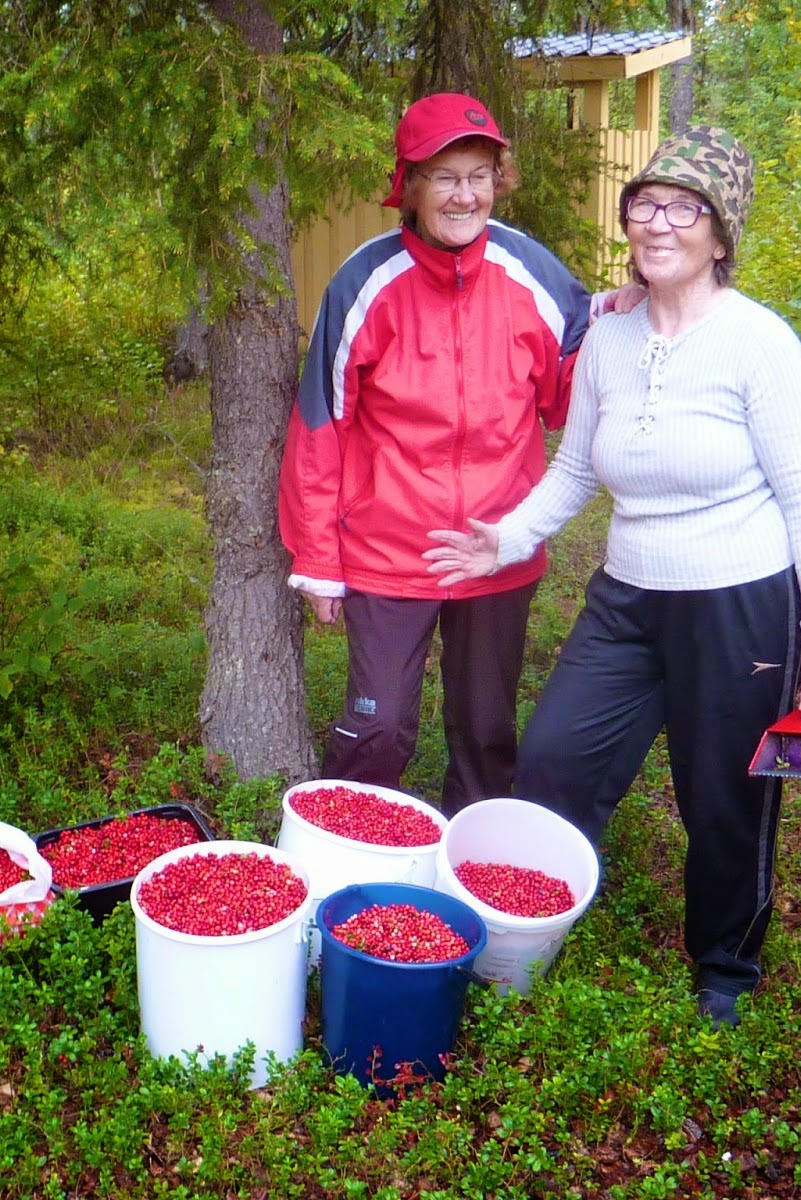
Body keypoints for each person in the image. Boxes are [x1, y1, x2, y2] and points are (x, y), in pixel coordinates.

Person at [424, 127, 801, 1027]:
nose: (658, 224)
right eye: (645, 205)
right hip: (625, 598)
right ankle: (535, 918)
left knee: (725, 794)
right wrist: (502, 540)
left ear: (720, 234)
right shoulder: (610, 337)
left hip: (740, 604)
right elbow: (577, 470)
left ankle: (726, 969)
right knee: (552, 760)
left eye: (684, 208)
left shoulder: (759, 344)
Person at [279, 93, 622, 815]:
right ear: (408, 186)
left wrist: (616, 324)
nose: (464, 194)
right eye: (444, 177)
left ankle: (470, 869)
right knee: (378, 725)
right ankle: (355, 856)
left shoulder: (532, 270)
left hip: (498, 547)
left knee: (486, 731)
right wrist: (317, 561)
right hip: (388, 552)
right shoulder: (364, 283)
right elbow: (320, 425)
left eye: (479, 174)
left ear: (499, 179)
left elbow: (569, 396)